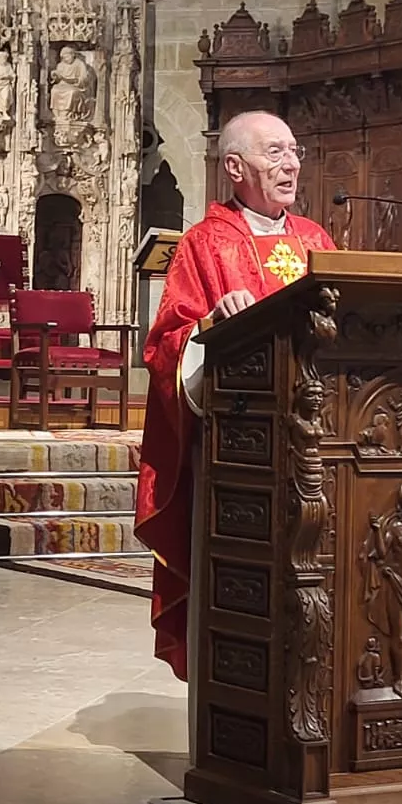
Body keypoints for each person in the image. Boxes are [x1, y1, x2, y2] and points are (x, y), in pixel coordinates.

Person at [135, 110, 338, 684]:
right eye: (274, 152)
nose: (292, 163)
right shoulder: (204, 244)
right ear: (234, 167)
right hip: (241, 455)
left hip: (321, 448)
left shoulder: (315, 240)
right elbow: (164, 345)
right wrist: (209, 328)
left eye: (294, 151)